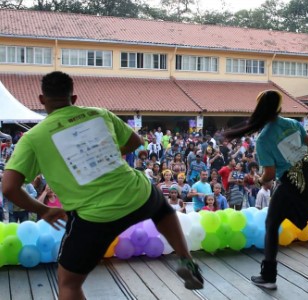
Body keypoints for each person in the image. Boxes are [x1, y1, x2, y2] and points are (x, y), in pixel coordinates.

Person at [1, 72, 203, 300]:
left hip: (94, 216)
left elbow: (8, 187)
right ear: (73, 98)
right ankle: (186, 258)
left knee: (68, 283)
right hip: (137, 193)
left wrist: (44, 210)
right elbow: (135, 141)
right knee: (162, 208)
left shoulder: (32, 137)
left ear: (41, 100)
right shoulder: (99, 114)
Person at [224, 90, 308, 290]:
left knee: (272, 223)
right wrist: (297, 157)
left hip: (293, 180)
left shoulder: (263, 139)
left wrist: (256, 181)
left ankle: (269, 276)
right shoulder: (292, 123)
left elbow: (269, 175)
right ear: (279, 108)